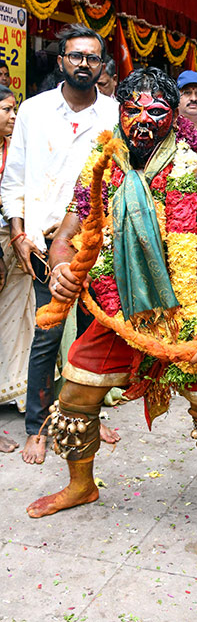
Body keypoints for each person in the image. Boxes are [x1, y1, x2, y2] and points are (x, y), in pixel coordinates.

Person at [25, 68, 197, 534]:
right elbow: (67, 235)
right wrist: (63, 267)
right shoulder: (101, 167)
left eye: (156, 111)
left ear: (175, 117)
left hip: (193, 310)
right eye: (132, 110)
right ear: (118, 111)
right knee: (75, 395)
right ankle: (81, 485)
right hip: (120, 309)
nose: (143, 120)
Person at [1, 25, 119, 464]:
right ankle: (38, 426)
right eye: (76, 56)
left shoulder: (116, 115)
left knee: (92, 332)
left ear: (102, 65)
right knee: (46, 337)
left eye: (92, 57)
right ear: (61, 61)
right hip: (41, 240)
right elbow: (13, 178)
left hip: (98, 243)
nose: (84, 64)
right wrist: (18, 233)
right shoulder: (33, 111)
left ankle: (85, 415)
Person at [0, 84, 27, 453]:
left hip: (11, 240)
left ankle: (17, 391)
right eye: (7, 109)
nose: (13, 116)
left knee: (21, 321)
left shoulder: (12, 150)